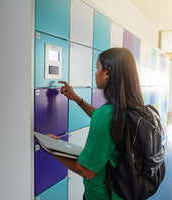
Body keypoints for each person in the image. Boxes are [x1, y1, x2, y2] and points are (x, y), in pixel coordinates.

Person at [47, 48, 145, 200]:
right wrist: (77, 99)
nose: (95, 73)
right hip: (126, 192)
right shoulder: (135, 108)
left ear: (107, 73)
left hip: (102, 196)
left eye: (97, 67)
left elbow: (86, 171)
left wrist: (52, 150)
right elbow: (101, 117)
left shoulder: (106, 116)